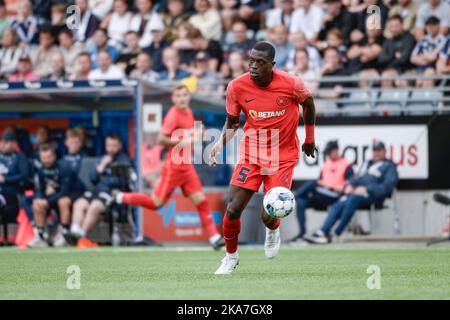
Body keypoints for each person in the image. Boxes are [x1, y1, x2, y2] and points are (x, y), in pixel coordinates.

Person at [208, 41, 317, 274]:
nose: (254, 66)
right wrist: (219, 144)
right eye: (252, 61)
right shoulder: (236, 86)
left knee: (268, 215)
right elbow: (233, 123)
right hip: (251, 153)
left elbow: (308, 105)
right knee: (233, 209)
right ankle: (231, 257)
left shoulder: (291, 84)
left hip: (282, 155)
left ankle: (273, 229)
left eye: (261, 62)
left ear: (272, 65)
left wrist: (309, 139)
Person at [113, 85, 224, 249]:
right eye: (178, 96)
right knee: (155, 203)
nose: (182, 98)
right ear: (173, 99)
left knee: (201, 202)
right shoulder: (173, 115)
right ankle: (121, 197)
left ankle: (214, 238)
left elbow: (189, 137)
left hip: (187, 168)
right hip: (173, 168)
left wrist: (197, 134)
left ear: (188, 97)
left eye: (184, 95)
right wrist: (185, 140)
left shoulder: (189, 112)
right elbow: (160, 139)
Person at [305, 141, 398, 244]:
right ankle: (322, 232)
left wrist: (367, 189)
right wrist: (350, 185)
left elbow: (387, 188)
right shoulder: (367, 163)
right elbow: (356, 177)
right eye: (374, 150)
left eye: (379, 150)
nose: (376, 153)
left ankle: (336, 234)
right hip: (357, 194)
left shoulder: (389, 167)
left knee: (353, 199)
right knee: (340, 201)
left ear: (384, 151)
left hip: (373, 196)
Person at [70, 133, 132, 248]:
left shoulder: (124, 160)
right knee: (79, 203)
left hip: (111, 193)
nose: (111, 148)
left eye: (114, 145)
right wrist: (102, 165)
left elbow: (122, 183)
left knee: (94, 206)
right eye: (109, 145)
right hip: (96, 191)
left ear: (119, 146)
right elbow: (92, 178)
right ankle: (74, 230)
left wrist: (108, 173)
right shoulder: (102, 159)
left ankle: (81, 236)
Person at [290, 140, 353, 243]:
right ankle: (302, 233)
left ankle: (292, 199)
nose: (328, 155)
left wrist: (335, 187)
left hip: (335, 195)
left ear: (336, 151)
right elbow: (321, 181)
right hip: (322, 194)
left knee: (312, 184)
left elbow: (349, 186)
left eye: (330, 152)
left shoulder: (346, 165)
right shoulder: (326, 164)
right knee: (301, 202)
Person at [28, 143, 73, 248]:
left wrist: (48, 201)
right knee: (36, 203)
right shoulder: (41, 170)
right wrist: (39, 198)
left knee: (63, 201)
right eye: (43, 158)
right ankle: (40, 236)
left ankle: (64, 234)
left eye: (49, 157)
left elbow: (65, 191)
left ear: (54, 156)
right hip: (52, 197)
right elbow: (40, 190)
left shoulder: (64, 167)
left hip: (70, 194)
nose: (46, 160)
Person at [0, 132, 29, 232]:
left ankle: (10, 237)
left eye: (5, 142)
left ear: (13, 143)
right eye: (2, 142)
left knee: (8, 208)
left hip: (13, 191)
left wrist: (5, 179)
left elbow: (24, 175)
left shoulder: (19, 157)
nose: (2, 145)